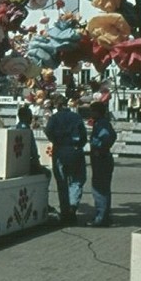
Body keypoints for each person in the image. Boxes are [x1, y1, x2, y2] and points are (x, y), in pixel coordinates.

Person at [44, 93, 87, 226]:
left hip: (60, 150)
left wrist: (55, 141)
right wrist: (80, 145)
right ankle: (73, 206)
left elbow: (48, 132)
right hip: (75, 149)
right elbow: (83, 134)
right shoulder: (76, 117)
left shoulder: (55, 118)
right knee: (77, 179)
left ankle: (64, 211)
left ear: (56, 105)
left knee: (62, 181)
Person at [87, 101, 117, 227]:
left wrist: (100, 149)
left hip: (101, 157)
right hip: (104, 157)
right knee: (104, 188)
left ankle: (101, 217)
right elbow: (113, 136)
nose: (90, 113)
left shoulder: (101, 124)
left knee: (99, 188)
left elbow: (106, 138)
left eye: (92, 111)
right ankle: (105, 215)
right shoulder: (103, 123)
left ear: (97, 112)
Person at [16, 104, 50, 178]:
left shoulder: (18, 128)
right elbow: (31, 148)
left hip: (22, 161)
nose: (31, 118)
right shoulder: (25, 130)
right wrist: (36, 161)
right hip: (28, 161)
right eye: (30, 115)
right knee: (47, 173)